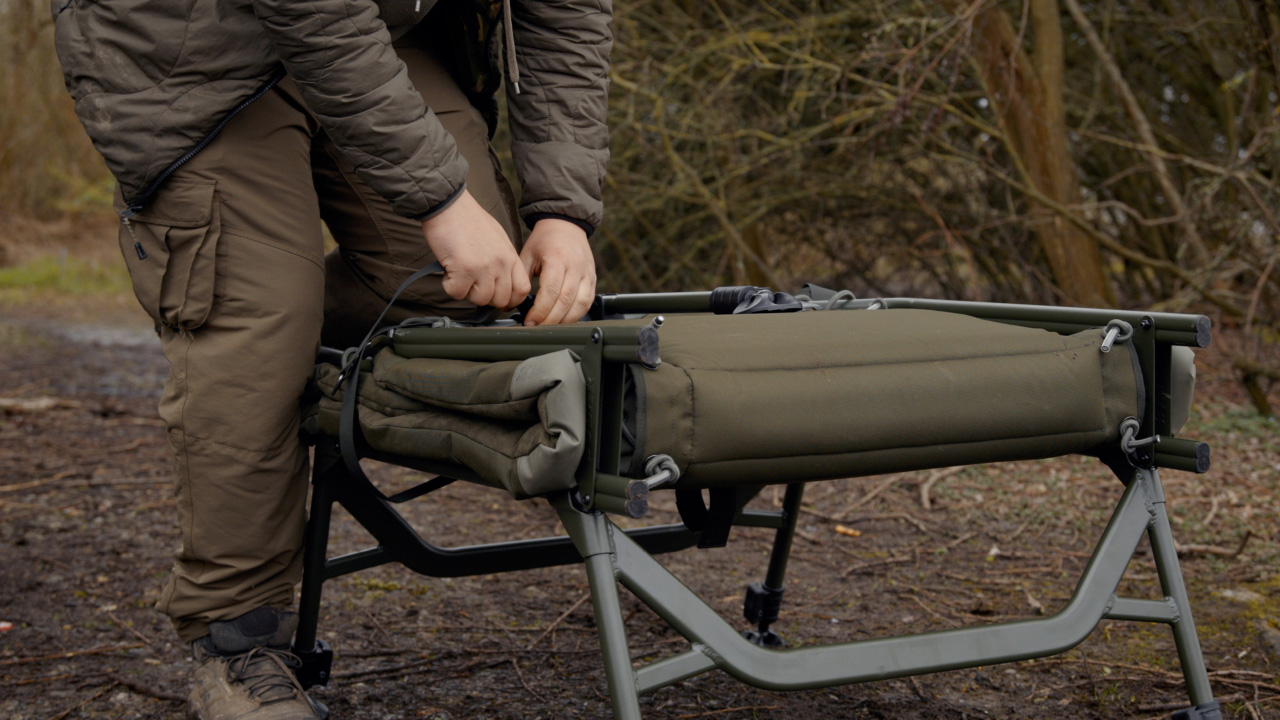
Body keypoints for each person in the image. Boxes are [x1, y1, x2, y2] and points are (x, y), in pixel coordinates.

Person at [52, 0, 612, 716]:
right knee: (259, 322)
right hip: (188, 46)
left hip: (380, 32)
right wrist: (439, 200)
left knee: (469, 288)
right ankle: (239, 647)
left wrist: (562, 210)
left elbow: (564, 14)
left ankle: (274, 338)